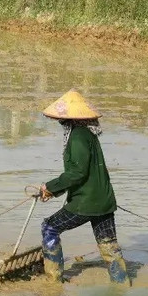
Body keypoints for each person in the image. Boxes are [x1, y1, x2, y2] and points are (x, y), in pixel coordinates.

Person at [35, 90, 129, 284]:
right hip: (104, 201)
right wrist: (54, 191)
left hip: (86, 202)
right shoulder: (88, 134)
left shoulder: (77, 137)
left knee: (50, 227)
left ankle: (53, 280)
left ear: (67, 120)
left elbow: (76, 173)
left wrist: (49, 187)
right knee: (108, 244)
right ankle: (122, 285)